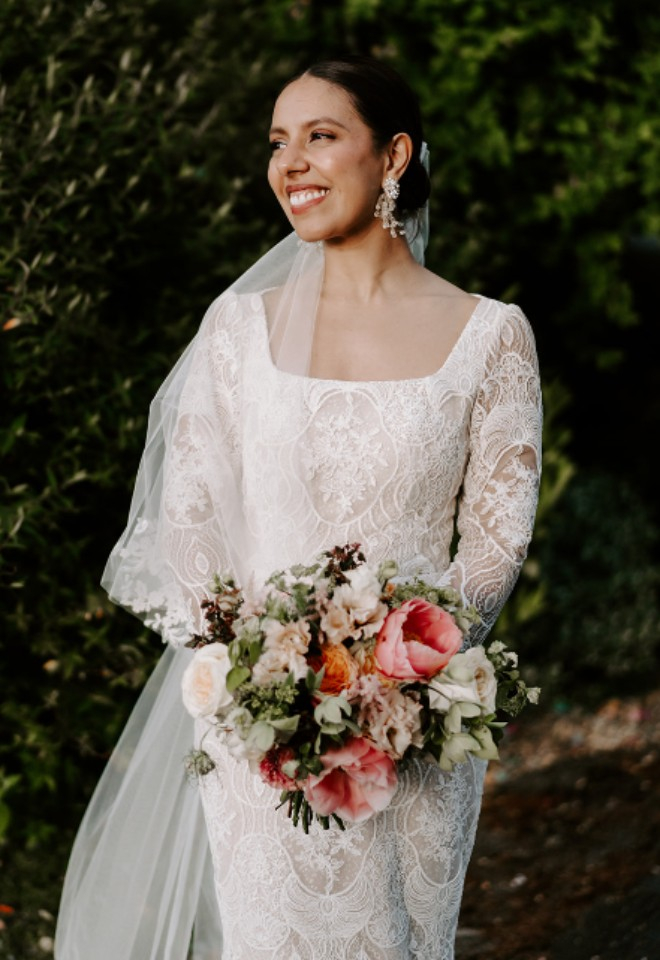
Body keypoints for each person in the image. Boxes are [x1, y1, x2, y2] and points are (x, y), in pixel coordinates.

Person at [54, 55, 542, 960]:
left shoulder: (492, 335)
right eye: (279, 142)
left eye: (321, 136)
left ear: (393, 154)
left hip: (418, 727)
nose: (291, 164)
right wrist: (267, 675)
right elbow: (189, 522)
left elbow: (496, 536)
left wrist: (405, 670)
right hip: (263, 732)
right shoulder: (237, 332)